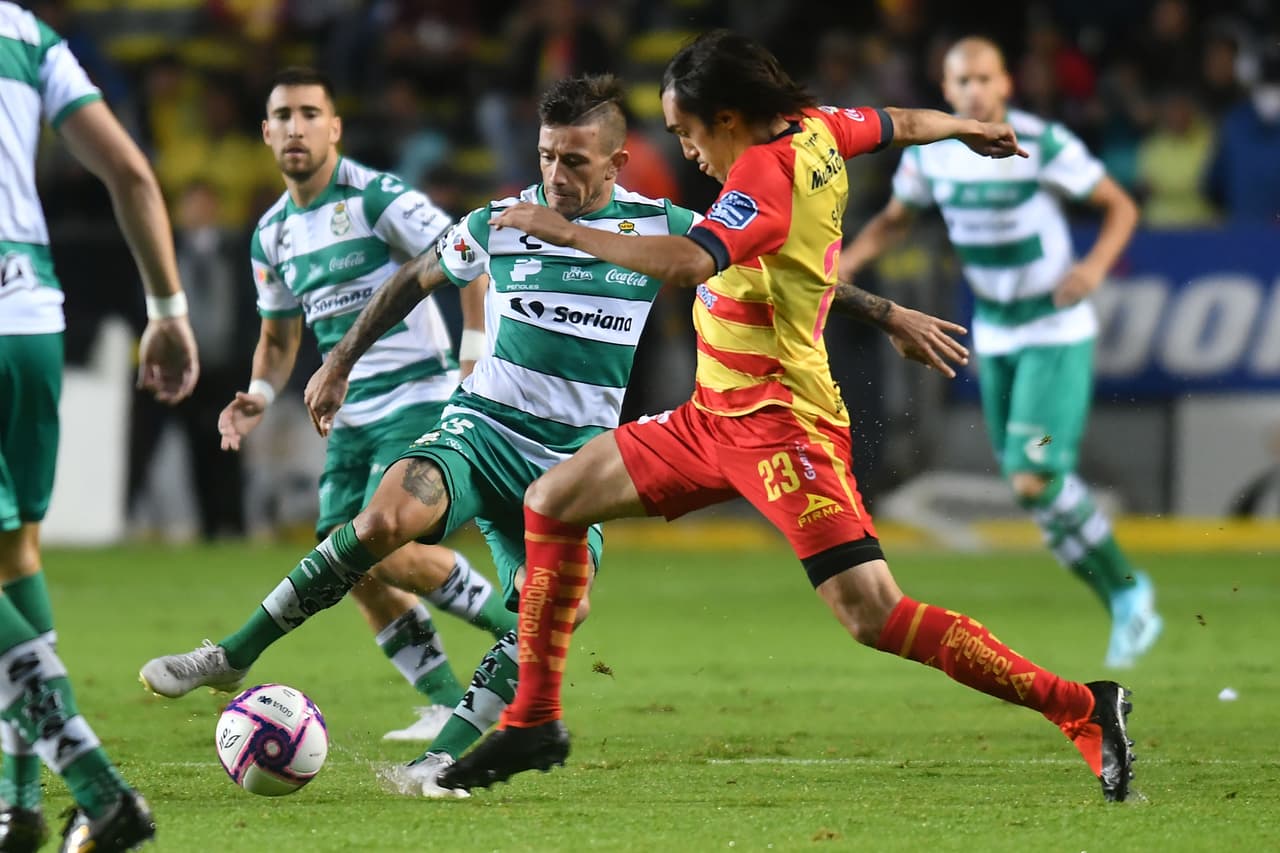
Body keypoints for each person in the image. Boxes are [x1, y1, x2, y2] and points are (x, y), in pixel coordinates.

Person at [143, 73, 968, 798]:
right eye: (546, 155)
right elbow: (413, 278)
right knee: (385, 517)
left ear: (616, 163)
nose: (555, 175)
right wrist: (338, 362)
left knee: (547, 619)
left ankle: (440, 758)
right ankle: (233, 653)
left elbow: (782, 271)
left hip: (574, 463)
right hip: (481, 428)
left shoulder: (662, 226)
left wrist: (887, 312)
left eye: (575, 160)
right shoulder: (502, 220)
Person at [436, 30, 1138, 805]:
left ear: (727, 117)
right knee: (552, 500)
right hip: (711, 417)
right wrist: (966, 127)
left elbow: (691, 262)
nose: (686, 150)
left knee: (873, 614)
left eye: (686, 132)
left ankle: (1082, 706)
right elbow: (897, 122)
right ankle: (534, 719)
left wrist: (568, 232)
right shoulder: (819, 128)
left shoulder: (764, 176)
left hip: (782, 426)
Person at [138, 67, 514, 743]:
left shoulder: (376, 197)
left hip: (417, 394)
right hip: (347, 413)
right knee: (344, 567)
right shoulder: (271, 234)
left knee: (378, 545)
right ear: (265, 132)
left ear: (334, 127)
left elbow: (469, 257)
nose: (296, 127)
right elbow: (279, 336)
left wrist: (472, 356)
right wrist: (257, 394)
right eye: (283, 116)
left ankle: (519, 630)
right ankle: (442, 699)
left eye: (310, 113)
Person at [840, 36, 1159, 670]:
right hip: (997, 333)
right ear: (947, 90)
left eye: (985, 78)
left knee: (1034, 474)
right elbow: (897, 219)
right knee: (1030, 485)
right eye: (963, 82)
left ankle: (1129, 594)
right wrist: (847, 262)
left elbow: (1119, 206)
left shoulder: (1041, 142)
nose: (975, 90)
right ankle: (1125, 597)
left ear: (1006, 84)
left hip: (1054, 331)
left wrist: (1093, 269)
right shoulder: (932, 156)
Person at [0, 2, 200, 849]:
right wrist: (168, 308)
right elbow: (131, 173)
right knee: (14, 556)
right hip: (29, 321)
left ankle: (99, 788)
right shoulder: (24, 33)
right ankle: (17, 802)